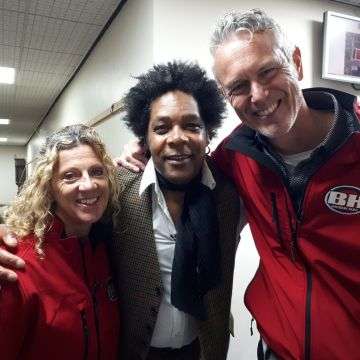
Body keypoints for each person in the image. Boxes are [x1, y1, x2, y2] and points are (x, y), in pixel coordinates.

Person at [102, 9, 360, 360]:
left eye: (268, 70)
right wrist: (144, 149)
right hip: (275, 350)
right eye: (239, 86)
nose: (258, 95)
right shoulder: (234, 159)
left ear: (296, 62)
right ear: (226, 96)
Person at [0, 62, 241, 360]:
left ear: (208, 133)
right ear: (145, 137)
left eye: (192, 125)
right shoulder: (117, 191)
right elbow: (59, 222)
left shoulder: (229, 196)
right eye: (161, 128)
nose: (177, 138)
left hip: (203, 350)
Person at [0, 124, 120, 359]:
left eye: (97, 172)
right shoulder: (17, 264)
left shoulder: (106, 249)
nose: (88, 185)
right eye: (69, 176)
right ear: (49, 188)